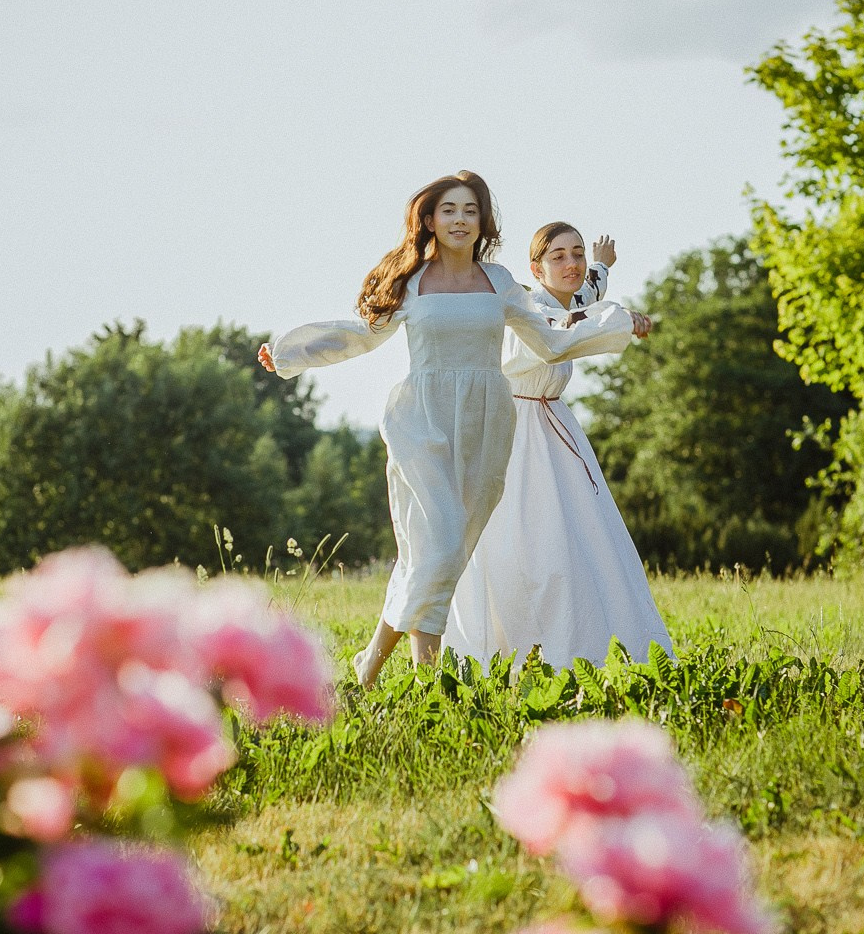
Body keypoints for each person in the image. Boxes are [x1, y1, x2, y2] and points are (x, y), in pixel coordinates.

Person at [257, 173, 644, 687]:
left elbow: (550, 338)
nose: (459, 220)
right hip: (421, 419)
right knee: (439, 542)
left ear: (483, 221)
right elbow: (360, 335)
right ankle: (429, 680)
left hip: (486, 424)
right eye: (448, 210)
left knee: (445, 551)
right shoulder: (410, 281)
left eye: (469, 211)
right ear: (430, 220)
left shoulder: (500, 282)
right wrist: (289, 353)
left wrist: (615, 323)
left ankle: (371, 660)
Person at [444, 222, 673, 668]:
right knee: (523, 548)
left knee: (582, 544)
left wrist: (602, 267)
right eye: (559, 257)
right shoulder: (530, 311)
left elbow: (584, 298)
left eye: (577, 254)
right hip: (513, 435)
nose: (572, 264)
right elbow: (566, 328)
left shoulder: (570, 297)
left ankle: (585, 645)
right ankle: (514, 648)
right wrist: (624, 321)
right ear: (536, 268)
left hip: (553, 432)